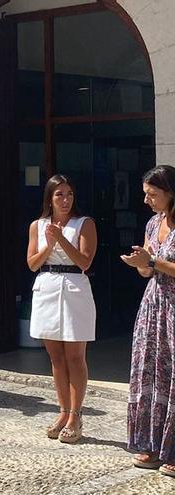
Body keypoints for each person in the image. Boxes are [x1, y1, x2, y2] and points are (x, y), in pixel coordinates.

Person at [27, 175, 97, 444]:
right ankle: (63, 410)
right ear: (50, 198)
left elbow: (84, 261)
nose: (65, 200)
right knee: (56, 356)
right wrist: (50, 244)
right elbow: (32, 263)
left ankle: (76, 415)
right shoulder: (38, 225)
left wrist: (61, 239)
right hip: (47, 284)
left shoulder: (84, 224)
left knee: (75, 355)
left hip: (75, 286)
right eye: (59, 195)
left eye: (69, 194)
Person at [120, 165, 175, 475]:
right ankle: (153, 444)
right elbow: (148, 271)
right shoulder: (154, 224)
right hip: (154, 305)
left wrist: (153, 261)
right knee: (150, 373)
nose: (147, 201)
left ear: (171, 193)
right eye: (145, 194)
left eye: (152, 194)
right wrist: (141, 264)